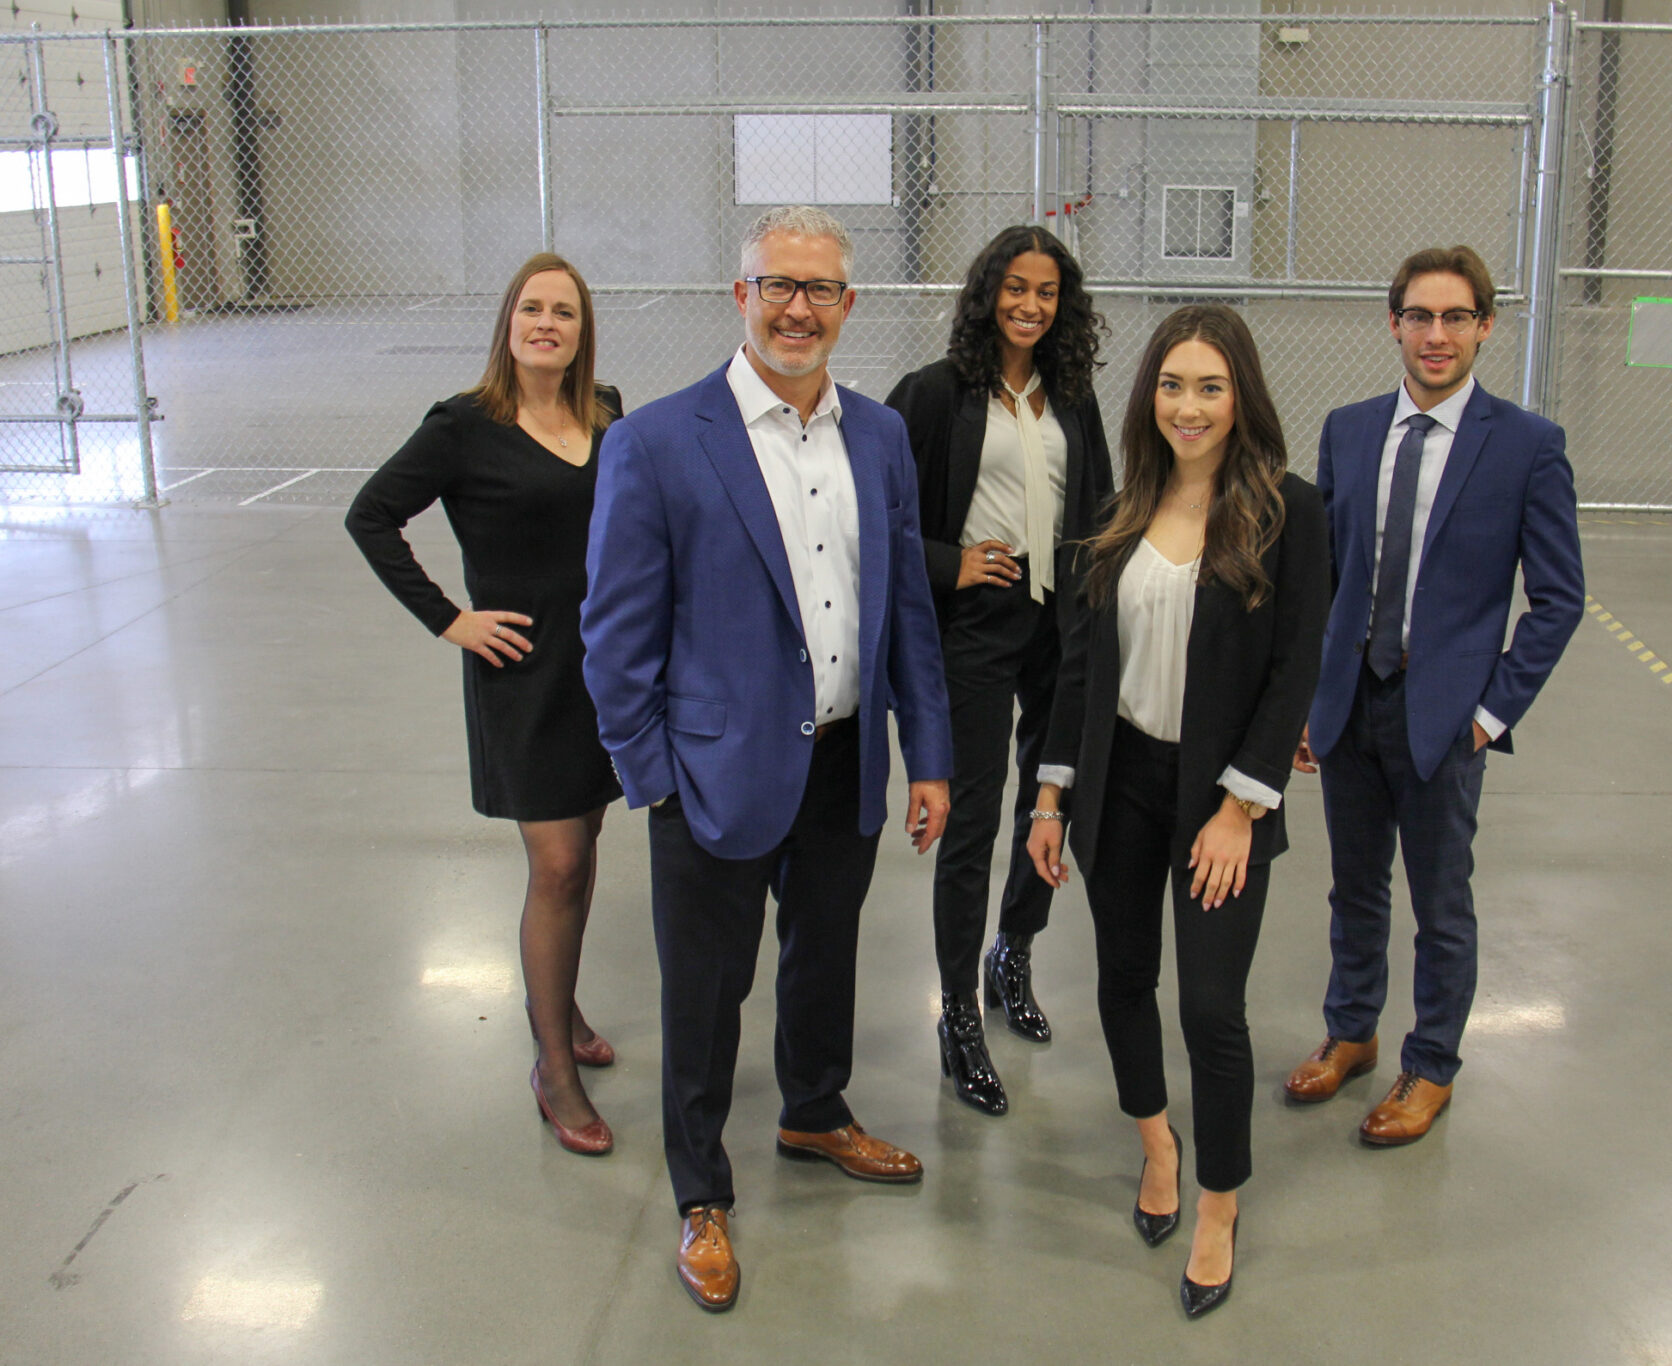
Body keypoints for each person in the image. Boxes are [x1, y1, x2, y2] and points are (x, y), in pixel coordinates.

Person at [580, 205, 953, 1315]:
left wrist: (927, 754)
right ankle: (701, 1191)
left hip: (844, 756)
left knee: (823, 955)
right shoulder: (657, 441)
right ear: (739, 296)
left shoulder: (879, 437)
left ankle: (814, 1111)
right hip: (711, 772)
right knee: (705, 992)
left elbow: (907, 608)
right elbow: (614, 639)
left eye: (819, 288)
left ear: (849, 304)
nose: (798, 308)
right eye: (775, 285)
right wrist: (652, 777)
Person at [1025, 304, 1328, 1319]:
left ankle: (1219, 1202)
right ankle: (1156, 1141)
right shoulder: (1116, 513)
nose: (1187, 406)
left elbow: (1293, 671)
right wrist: (1050, 794)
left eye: (1208, 386)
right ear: (1146, 396)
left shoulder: (1289, 512)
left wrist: (1241, 807)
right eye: (1170, 384)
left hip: (1219, 799)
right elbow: (1078, 671)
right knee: (1121, 978)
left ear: (1241, 397)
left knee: (1209, 1009)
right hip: (1120, 782)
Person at [1284, 245, 1583, 1146]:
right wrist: (1309, 698)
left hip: (1445, 718)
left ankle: (1432, 1064)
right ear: (1394, 324)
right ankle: (1351, 1031)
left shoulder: (1526, 446)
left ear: (1486, 326)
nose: (1437, 334)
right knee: (1353, 890)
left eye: (1457, 317)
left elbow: (1558, 598)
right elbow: (1324, 577)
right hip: (1351, 706)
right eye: (1420, 315)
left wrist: (1489, 715)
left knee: (1442, 907)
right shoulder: (1349, 430)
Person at [345, 252, 624, 1158]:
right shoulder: (463, 426)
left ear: (582, 332)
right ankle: (553, 1067)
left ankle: (562, 1006)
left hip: (600, 668)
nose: (547, 324)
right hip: (524, 674)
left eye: (564, 313)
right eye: (532, 309)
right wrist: (450, 620)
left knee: (584, 847)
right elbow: (370, 516)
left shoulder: (604, 412)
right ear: (509, 323)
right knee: (558, 864)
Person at [884, 225, 1114, 1116]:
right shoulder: (936, 393)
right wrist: (953, 564)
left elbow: (1098, 505)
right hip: (978, 621)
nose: (1030, 305)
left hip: (1061, 621)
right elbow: (883, 514)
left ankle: (1013, 948)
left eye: (1046, 292)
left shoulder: (1073, 398)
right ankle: (958, 1013)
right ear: (988, 294)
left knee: (1053, 799)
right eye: (1015, 287)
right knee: (972, 821)